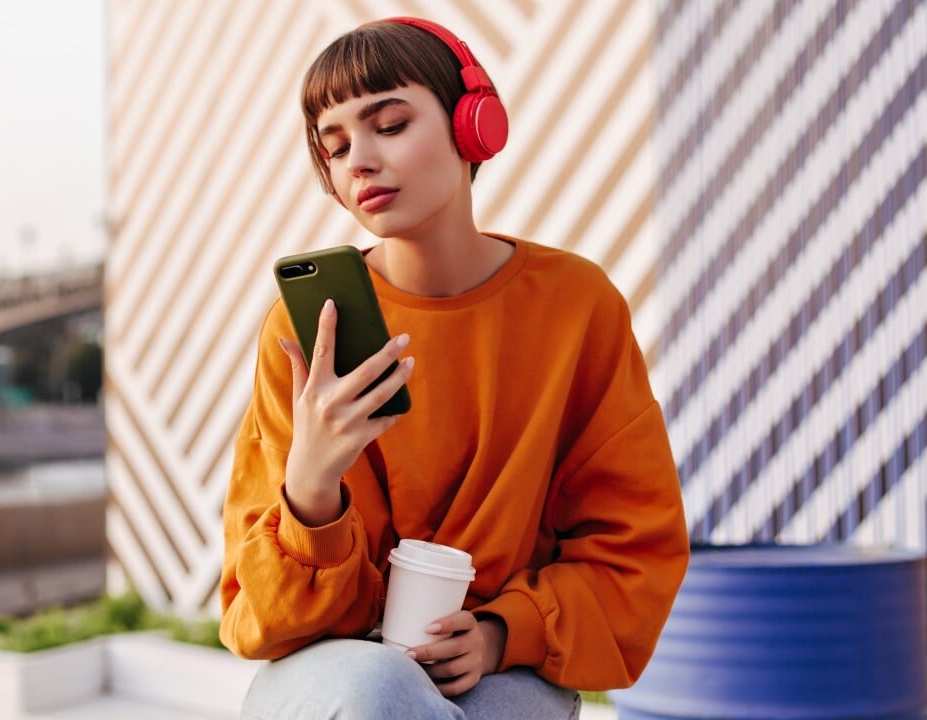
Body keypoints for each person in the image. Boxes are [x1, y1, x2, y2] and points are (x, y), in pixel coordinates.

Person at [219, 16, 689, 720]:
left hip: (503, 660)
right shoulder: (304, 329)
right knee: (382, 692)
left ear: (475, 125)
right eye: (336, 145)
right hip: (334, 663)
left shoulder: (576, 307)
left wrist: (504, 632)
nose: (359, 161)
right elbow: (258, 613)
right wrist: (311, 485)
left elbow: (633, 542)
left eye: (390, 124)